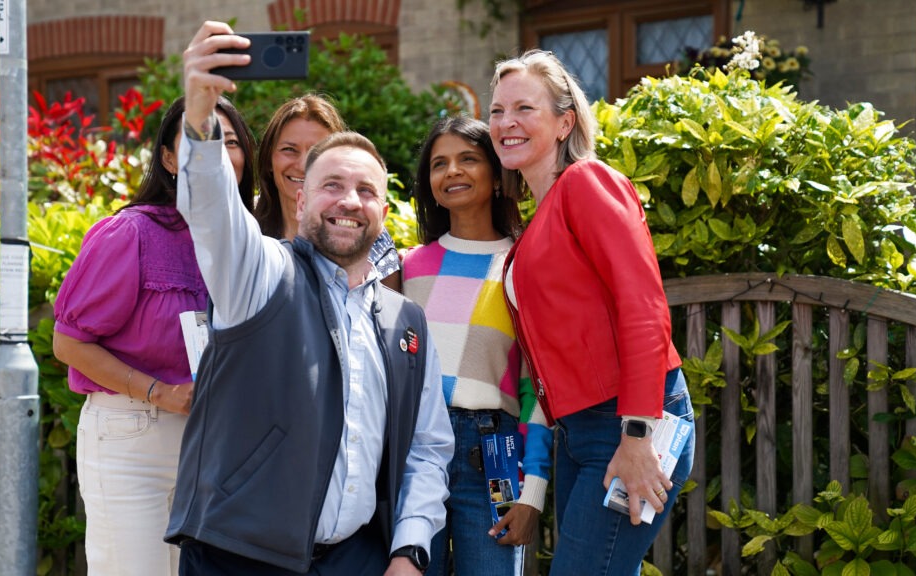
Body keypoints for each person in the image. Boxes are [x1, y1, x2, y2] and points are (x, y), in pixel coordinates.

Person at [164, 21, 454, 576]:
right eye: (331, 186)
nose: (349, 201)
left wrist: (409, 549)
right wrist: (200, 111)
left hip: (359, 560)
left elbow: (427, 449)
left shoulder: (405, 322)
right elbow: (213, 212)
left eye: (366, 190)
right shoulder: (260, 273)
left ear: (383, 214)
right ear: (299, 203)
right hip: (239, 557)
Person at [487, 49, 695, 575]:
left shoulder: (587, 183)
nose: (506, 122)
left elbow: (643, 307)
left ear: (564, 122)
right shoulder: (540, 217)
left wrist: (637, 434)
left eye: (523, 109)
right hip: (581, 432)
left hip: (628, 422)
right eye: (496, 111)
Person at [52, 94, 258, 575]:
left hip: (212, 444)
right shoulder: (131, 234)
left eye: (228, 142)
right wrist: (159, 392)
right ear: (168, 157)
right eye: (198, 141)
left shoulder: (246, 241)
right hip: (132, 438)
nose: (215, 153)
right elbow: (69, 342)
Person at [401, 116, 551, 576]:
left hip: (493, 454)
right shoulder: (408, 269)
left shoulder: (524, 265)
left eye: (468, 159)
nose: (452, 172)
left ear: (496, 172)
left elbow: (539, 389)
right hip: (415, 454)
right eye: (439, 163)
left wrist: (533, 493)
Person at [255, 93, 402, 290]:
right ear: (269, 159)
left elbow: (388, 311)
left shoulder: (367, 232)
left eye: (317, 151)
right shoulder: (247, 224)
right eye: (289, 149)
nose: (303, 165)